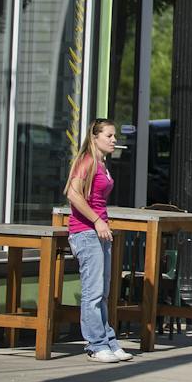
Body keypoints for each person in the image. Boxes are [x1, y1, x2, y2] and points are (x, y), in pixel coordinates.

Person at [65, 119, 131, 364]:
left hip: (100, 232)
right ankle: (95, 345)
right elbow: (72, 194)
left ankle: (109, 342)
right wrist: (96, 221)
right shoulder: (87, 162)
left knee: (102, 292)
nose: (114, 140)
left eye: (115, 136)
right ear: (95, 138)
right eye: (110, 136)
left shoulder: (102, 164)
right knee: (93, 293)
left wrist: (102, 224)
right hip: (86, 232)